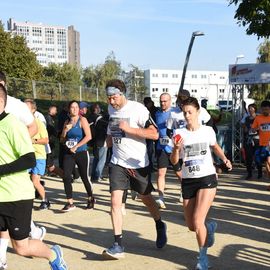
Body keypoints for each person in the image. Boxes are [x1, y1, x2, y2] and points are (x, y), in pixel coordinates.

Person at [0, 84, 68, 269]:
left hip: (16, 196)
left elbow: (29, 159)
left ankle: (53, 254)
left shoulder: (12, 124)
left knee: (21, 247)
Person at [102, 79, 167, 260]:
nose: (111, 101)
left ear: (122, 94)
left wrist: (129, 129)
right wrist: (108, 138)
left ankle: (160, 224)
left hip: (138, 164)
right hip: (118, 162)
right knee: (115, 202)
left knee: (146, 199)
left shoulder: (138, 109)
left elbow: (154, 134)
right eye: (108, 98)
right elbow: (113, 128)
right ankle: (118, 244)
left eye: (113, 97)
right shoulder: (111, 110)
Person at [170, 97, 232, 270]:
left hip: (207, 178)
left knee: (197, 221)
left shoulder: (207, 131)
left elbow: (215, 146)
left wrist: (225, 159)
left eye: (190, 112)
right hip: (188, 180)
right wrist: (176, 149)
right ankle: (209, 227)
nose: (187, 116)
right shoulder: (178, 133)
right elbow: (174, 161)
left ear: (198, 112)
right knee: (191, 225)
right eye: (185, 113)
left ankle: (203, 259)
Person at [0, 71, 46, 269]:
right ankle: (1, 259)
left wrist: (15, 145)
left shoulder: (15, 110)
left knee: (21, 246)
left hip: (15, 185)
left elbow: (33, 130)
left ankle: (47, 248)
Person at [60, 100, 94, 211]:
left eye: (76, 107)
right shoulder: (67, 122)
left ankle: (90, 197)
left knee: (84, 177)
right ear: (69, 109)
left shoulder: (82, 120)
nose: (74, 109)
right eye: (72, 107)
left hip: (81, 152)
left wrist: (76, 146)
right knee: (66, 176)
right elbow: (62, 139)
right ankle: (70, 202)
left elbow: (88, 136)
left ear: (79, 109)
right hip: (69, 153)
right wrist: (65, 130)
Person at [155, 93, 182, 209]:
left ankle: (184, 191)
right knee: (161, 173)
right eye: (161, 101)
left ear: (170, 101)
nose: (163, 103)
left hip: (174, 148)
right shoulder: (157, 113)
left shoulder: (176, 112)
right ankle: (161, 198)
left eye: (165, 101)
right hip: (161, 147)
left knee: (179, 173)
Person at [24, 99, 50, 210]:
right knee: (25, 180)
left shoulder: (39, 123)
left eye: (26, 107)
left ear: (33, 110)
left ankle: (45, 201)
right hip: (26, 155)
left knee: (34, 180)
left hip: (39, 156)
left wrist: (33, 141)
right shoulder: (21, 123)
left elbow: (46, 140)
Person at [89, 103, 109, 182]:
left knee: (96, 159)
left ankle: (93, 176)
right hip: (102, 141)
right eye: (98, 108)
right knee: (102, 160)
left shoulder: (89, 118)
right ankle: (97, 176)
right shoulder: (100, 119)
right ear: (96, 109)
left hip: (94, 140)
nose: (100, 109)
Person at [252, 100, 270, 186]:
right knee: (265, 162)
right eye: (263, 110)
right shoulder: (258, 118)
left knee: (269, 161)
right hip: (262, 143)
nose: (265, 111)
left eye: (267, 109)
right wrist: (256, 129)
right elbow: (253, 129)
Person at [241, 104, 260, 180]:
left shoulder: (258, 117)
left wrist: (256, 129)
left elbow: (262, 126)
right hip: (248, 139)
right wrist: (245, 127)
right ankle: (249, 174)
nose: (250, 110)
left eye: (251, 108)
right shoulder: (247, 118)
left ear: (255, 109)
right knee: (248, 158)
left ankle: (260, 172)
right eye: (249, 108)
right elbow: (243, 125)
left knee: (257, 157)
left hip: (257, 139)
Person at [45, 105, 64, 178]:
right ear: (52, 110)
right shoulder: (48, 118)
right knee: (49, 156)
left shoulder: (50, 118)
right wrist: (58, 134)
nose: (56, 112)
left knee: (50, 155)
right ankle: (49, 170)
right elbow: (51, 129)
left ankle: (49, 170)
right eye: (55, 110)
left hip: (50, 140)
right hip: (49, 140)